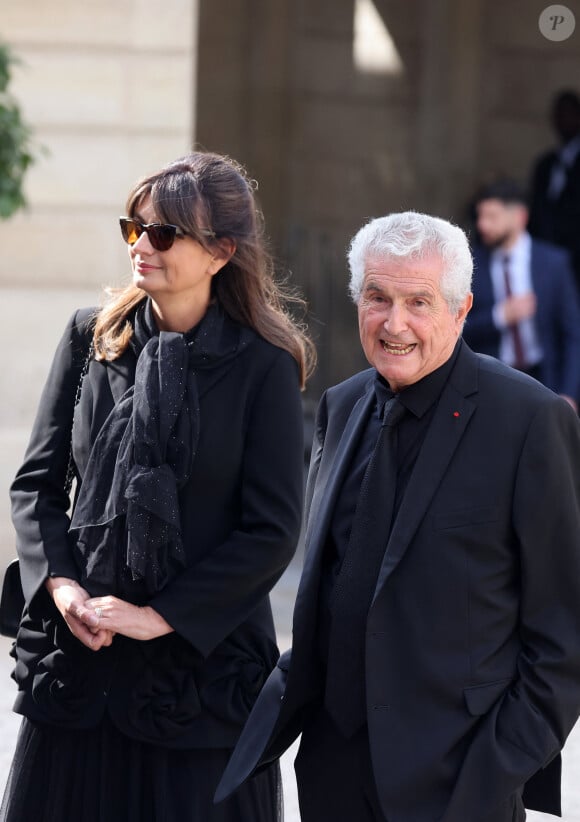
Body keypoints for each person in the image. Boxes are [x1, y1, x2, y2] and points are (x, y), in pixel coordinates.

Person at [216, 211, 580, 822]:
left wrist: (496, 769)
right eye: (378, 297)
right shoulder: (342, 403)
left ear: (462, 310)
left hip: (459, 779)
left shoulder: (530, 420)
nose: (395, 323)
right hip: (334, 773)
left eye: (419, 302)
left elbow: (563, 634)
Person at [2, 150, 314, 822]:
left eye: (164, 233)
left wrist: (159, 617)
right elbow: (36, 485)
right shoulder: (92, 337)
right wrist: (62, 586)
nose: (142, 246)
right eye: (133, 228)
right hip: (82, 670)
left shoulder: (265, 367)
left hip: (197, 685)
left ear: (221, 252)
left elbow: (272, 530)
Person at [463, 178, 580, 410]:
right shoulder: (470, 264)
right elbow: (455, 329)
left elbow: (572, 334)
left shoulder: (553, 262)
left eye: (492, 217)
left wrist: (568, 393)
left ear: (519, 217)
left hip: (544, 379)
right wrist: (499, 316)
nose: (483, 225)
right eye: (480, 217)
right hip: (491, 381)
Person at [528, 90, 580, 290]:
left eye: (568, 114)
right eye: (558, 115)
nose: (562, 121)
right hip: (545, 253)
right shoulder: (546, 163)